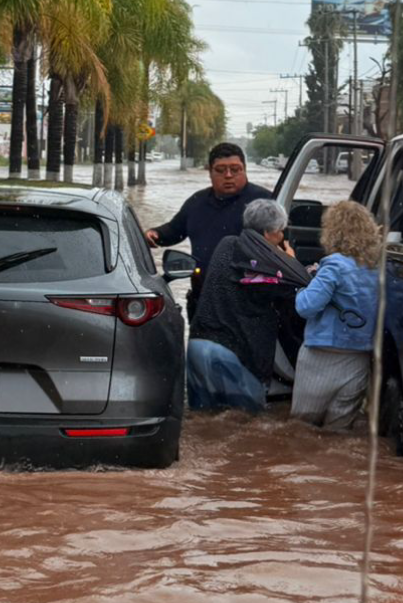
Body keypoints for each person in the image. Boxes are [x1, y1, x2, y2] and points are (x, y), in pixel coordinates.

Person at [186, 199, 310, 412]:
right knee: (244, 424)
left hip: (200, 346)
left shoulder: (226, 244)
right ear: (270, 232)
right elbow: (299, 290)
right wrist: (289, 261)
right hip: (236, 356)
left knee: (204, 421)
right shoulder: (270, 265)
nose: (283, 237)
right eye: (281, 231)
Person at [147, 142, 273, 313]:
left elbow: (282, 243)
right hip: (202, 301)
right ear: (209, 172)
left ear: (245, 170)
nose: (228, 175)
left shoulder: (264, 203)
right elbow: (175, 230)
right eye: (220, 170)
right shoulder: (197, 203)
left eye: (235, 169)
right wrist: (154, 234)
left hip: (250, 305)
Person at [290, 201, 383, 431]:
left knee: (302, 429)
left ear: (333, 232)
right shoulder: (377, 268)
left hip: (321, 357)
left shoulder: (333, 265)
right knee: (338, 432)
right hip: (358, 357)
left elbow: (306, 307)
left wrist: (304, 286)